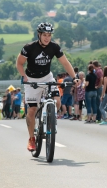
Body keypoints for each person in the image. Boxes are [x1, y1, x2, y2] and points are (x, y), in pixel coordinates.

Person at [16, 22, 76, 151]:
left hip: (47, 77)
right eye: (44, 35)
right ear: (39, 35)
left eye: (49, 35)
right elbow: (19, 63)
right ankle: (32, 139)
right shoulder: (29, 47)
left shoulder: (54, 47)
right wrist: (23, 76)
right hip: (31, 79)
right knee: (31, 111)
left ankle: (50, 120)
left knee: (58, 103)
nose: (47, 38)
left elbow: (65, 63)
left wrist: (75, 78)